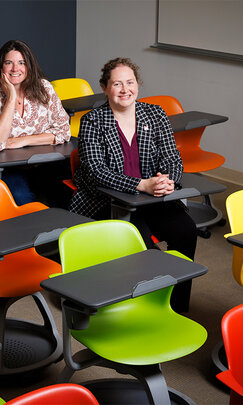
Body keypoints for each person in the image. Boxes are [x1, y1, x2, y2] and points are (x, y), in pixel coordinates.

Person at [69, 57, 196, 312]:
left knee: (187, 231)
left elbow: (172, 157)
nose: (125, 89)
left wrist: (167, 181)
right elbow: (96, 173)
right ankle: (145, 309)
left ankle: (177, 307)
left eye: (130, 82)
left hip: (152, 197)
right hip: (107, 200)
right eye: (117, 84)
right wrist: (142, 185)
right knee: (143, 247)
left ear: (138, 84)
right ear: (105, 88)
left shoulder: (156, 114)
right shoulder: (93, 121)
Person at [0, 39, 71, 205]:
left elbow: (63, 130)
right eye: (9, 63)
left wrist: (21, 141)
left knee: (66, 191)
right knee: (21, 199)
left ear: (29, 66)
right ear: (0, 66)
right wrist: (11, 97)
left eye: (21, 63)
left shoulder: (44, 87)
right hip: (4, 167)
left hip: (43, 162)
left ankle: (60, 230)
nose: (15, 69)